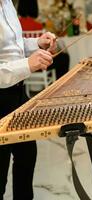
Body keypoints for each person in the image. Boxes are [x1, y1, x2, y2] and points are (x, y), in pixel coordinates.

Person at [0, 1, 57, 200]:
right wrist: (27, 64)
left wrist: (36, 43)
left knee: (26, 157)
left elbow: (11, 46)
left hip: (18, 93)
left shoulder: (7, 2)